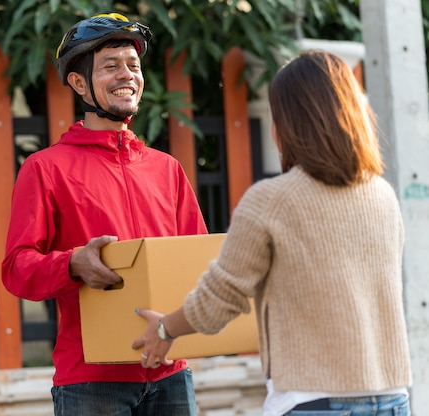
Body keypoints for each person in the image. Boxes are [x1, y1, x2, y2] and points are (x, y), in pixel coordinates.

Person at [133, 50, 413, 416]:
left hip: (313, 399)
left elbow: (220, 299)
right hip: (393, 398)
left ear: (287, 122)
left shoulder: (272, 199)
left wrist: (166, 329)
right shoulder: (382, 195)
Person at [1, 13, 208, 416]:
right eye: (110, 66)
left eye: (133, 65)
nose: (126, 75)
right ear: (79, 83)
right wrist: (73, 264)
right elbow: (16, 269)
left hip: (170, 372)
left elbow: (196, 263)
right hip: (90, 380)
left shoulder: (167, 169)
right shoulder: (46, 168)